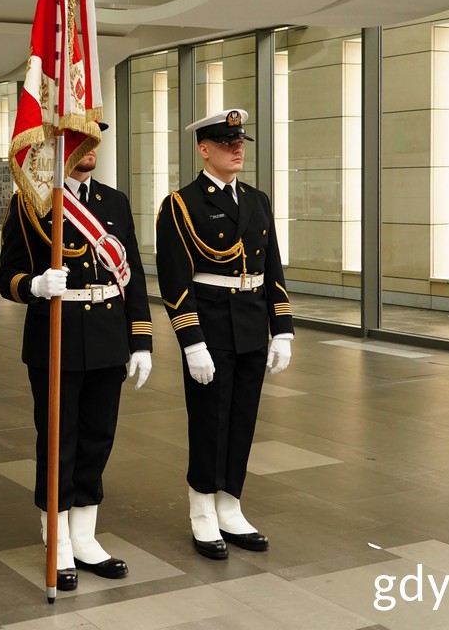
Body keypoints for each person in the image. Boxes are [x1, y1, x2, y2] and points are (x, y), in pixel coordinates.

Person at [0, 131, 153, 590]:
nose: (91, 150)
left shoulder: (114, 201)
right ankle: (58, 537)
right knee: (58, 440)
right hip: (56, 336)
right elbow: (7, 275)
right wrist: (34, 285)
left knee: (98, 438)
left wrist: (141, 340)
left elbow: (133, 275)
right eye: (80, 141)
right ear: (58, 147)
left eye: (94, 141)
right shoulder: (31, 202)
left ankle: (84, 535)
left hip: (107, 335)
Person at [154, 109, 294, 561]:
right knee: (209, 422)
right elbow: (175, 280)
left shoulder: (257, 200)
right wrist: (191, 342)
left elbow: (272, 266)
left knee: (242, 420)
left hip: (252, 324)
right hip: (211, 328)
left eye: (239, 142)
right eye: (226, 143)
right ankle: (202, 511)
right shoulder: (182, 204)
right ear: (204, 149)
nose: (237, 149)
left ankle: (230, 505)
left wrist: (282, 329)